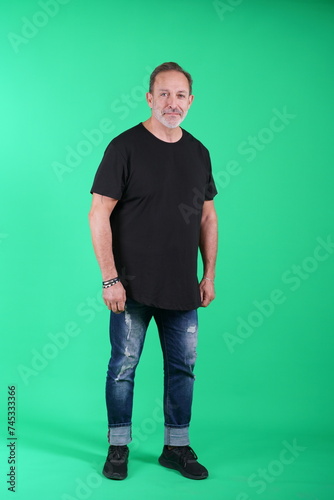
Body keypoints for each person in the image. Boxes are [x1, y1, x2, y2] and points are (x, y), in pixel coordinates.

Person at [88, 62, 218, 481]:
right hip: (130, 286)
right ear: (149, 97)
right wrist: (110, 278)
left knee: (183, 367)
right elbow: (98, 213)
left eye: (180, 95)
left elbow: (207, 218)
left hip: (182, 287)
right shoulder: (123, 147)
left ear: (191, 101)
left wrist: (209, 274)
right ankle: (118, 447)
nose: (172, 103)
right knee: (123, 366)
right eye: (163, 93)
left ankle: (175, 449)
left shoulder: (199, 152)